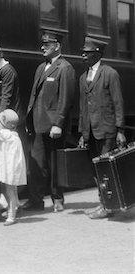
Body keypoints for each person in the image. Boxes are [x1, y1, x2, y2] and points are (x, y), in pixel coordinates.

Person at [24, 30, 75, 212]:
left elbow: (66, 99)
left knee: (55, 164)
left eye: (47, 44)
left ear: (57, 46)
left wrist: (58, 124)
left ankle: (57, 199)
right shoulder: (41, 68)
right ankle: (36, 200)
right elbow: (34, 96)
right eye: (42, 44)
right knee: (36, 164)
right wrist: (29, 120)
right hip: (38, 123)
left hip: (53, 125)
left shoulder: (65, 68)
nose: (42, 47)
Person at [78, 36, 126, 219]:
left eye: (87, 53)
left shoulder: (110, 73)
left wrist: (120, 130)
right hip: (91, 131)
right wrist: (83, 132)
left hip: (106, 130)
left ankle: (108, 206)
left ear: (97, 54)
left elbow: (118, 103)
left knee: (106, 169)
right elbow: (83, 107)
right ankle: (104, 203)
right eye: (83, 52)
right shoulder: (84, 77)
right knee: (96, 170)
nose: (83, 55)